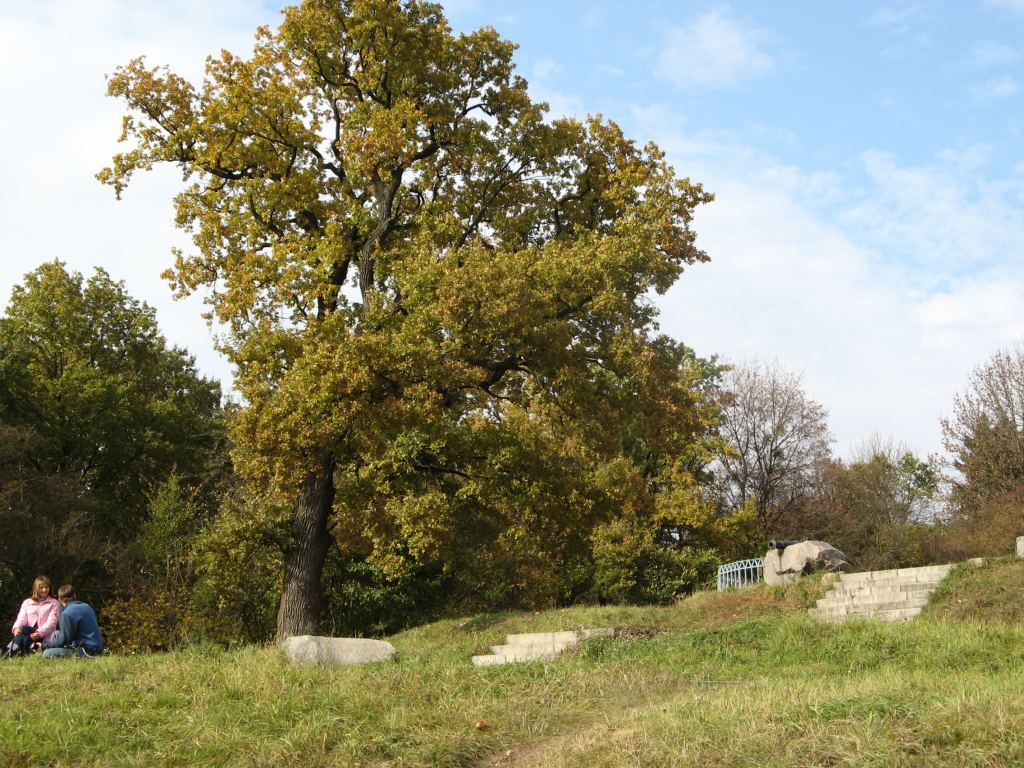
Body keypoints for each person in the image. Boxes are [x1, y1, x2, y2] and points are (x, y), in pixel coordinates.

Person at [40, 584, 103, 659]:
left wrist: (43, 646)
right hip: (97, 647)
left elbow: (64, 640)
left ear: (60, 599)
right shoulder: (87, 606)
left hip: (86, 651)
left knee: (46, 653)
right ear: (74, 595)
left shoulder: (66, 614)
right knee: (56, 633)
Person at [6, 576, 60, 657]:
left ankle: (9, 651)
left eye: (47, 587)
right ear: (36, 588)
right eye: (41, 587)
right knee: (22, 630)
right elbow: (21, 618)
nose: (44, 590)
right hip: (28, 635)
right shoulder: (27, 602)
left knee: (23, 629)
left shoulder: (54, 603)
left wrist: (39, 633)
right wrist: (16, 628)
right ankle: (29, 650)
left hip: (44, 635)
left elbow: (52, 623)